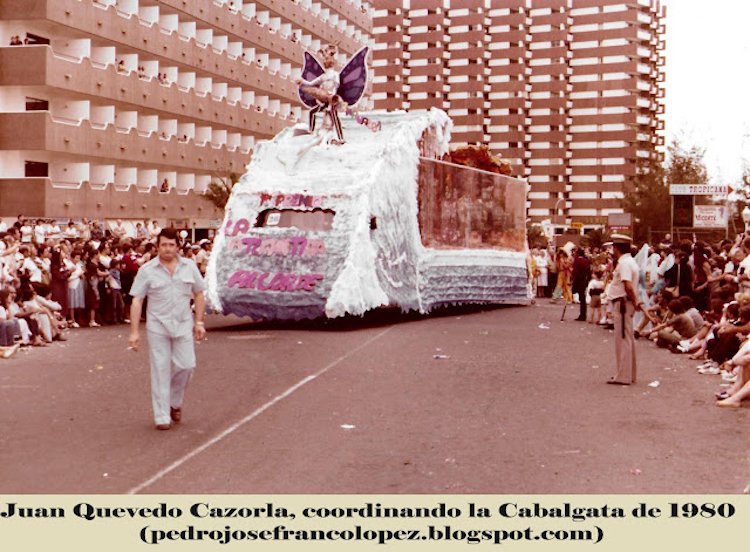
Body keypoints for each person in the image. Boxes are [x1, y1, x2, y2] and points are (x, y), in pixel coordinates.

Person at [128, 228, 207, 430]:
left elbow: (199, 293)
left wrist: (199, 322)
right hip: (158, 326)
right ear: (157, 246)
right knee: (160, 369)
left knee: (187, 365)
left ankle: (174, 401)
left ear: (178, 246)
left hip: (183, 324)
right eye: (163, 245)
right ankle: (162, 415)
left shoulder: (189, 267)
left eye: (171, 245)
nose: (167, 249)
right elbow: (137, 300)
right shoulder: (147, 270)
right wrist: (134, 332)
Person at [606, 235, 643, 385]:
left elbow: (627, 285)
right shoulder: (630, 262)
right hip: (625, 303)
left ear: (616, 248)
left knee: (623, 340)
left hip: (622, 303)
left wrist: (634, 301)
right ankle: (628, 373)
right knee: (627, 338)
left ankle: (624, 375)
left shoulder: (624, 264)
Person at [571, 247, 591, 321]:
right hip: (584, 280)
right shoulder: (586, 260)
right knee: (583, 298)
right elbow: (589, 271)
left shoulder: (577, 261)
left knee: (581, 297)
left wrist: (572, 278)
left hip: (578, 280)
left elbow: (575, 272)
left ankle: (582, 315)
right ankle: (583, 314)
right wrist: (588, 279)